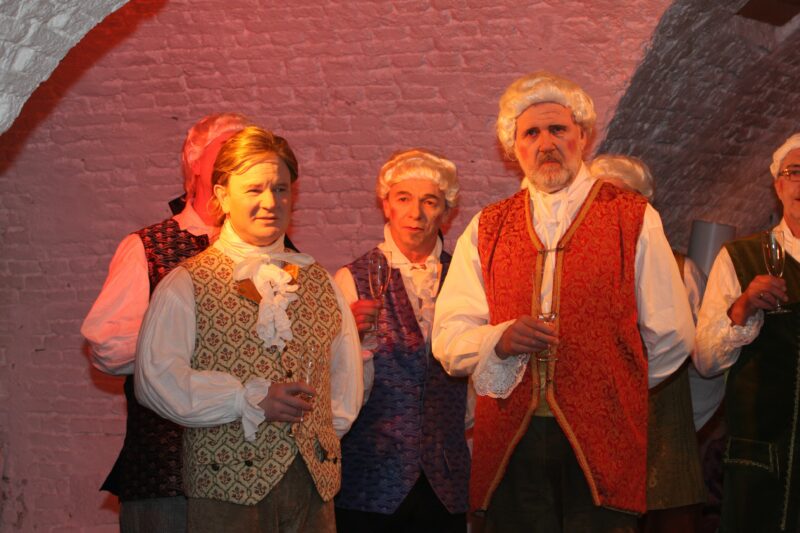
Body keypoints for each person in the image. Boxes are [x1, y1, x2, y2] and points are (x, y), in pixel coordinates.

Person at [431, 71, 695, 532]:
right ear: (514, 148)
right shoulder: (487, 227)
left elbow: (672, 334)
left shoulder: (632, 216)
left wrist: (611, 384)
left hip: (602, 442)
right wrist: (498, 340)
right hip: (512, 444)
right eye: (531, 133)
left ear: (583, 136)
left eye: (558, 129)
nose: (546, 143)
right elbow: (449, 336)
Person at [134, 126, 363, 532]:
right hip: (227, 489)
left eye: (281, 189)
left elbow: (345, 378)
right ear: (222, 196)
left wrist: (321, 436)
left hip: (313, 489)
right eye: (254, 189)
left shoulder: (320, 281)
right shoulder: (187, 283)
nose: (270, 202)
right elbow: (157, 379)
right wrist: (243, 399)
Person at [81, 112, 249, 532]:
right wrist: (187, 339)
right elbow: (109, 346)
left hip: (254, 475)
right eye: (225, 152)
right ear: (195, 164)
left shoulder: (270, 253)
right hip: (168, 474)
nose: (237, 161)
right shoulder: (149, 246)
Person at [333, 149, 470, 532]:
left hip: (444, 480)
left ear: (446, 211)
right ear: (386, 205)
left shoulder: (465, 279)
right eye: (404, 199)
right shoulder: (351, 279)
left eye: (430, 201)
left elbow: (478, 382)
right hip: (370, 480)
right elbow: (332, 381)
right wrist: (349, 340)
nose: (416, 213)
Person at [591, 154, 718, 532]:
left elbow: (707, 368)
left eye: (621, 197)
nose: (610, 208)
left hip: (666, 441)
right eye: (600, 198)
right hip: (599, 446)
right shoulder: (574, 272)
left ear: (644, 206)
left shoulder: (682, 271)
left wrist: (683, 423)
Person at [695, 132, 800, 533]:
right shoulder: (740, 257)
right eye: (794, 172)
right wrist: (743, 307)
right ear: (777, 185)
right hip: (760, 459)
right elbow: (705, 360)